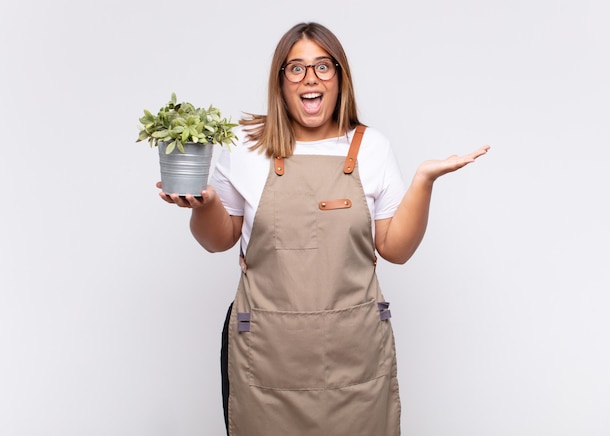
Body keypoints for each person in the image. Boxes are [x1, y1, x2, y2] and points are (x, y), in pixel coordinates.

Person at [158, 21, 489, 436]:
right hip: (267, 355)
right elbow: (218, 240)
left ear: (339, 77)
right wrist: (204, 205)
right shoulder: (245, 146)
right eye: (296, 68)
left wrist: (424, 180)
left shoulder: (372, 148)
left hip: (355, 359)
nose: (310, 78)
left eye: (322, 67)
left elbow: (395, 249)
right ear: (280, 81)